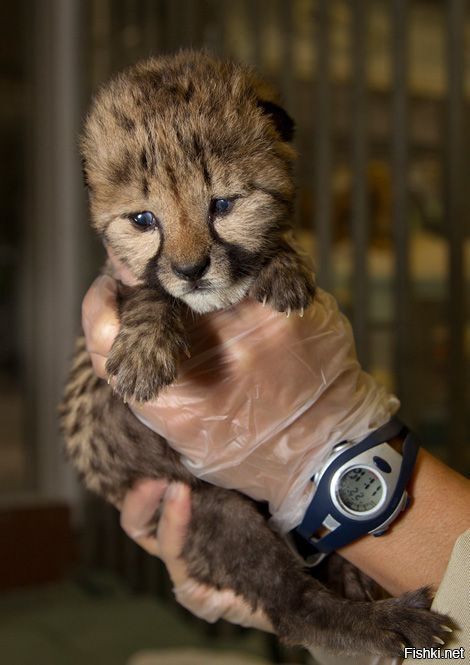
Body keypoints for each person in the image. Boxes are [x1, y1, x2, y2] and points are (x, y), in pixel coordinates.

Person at [82, 271, 470, 663]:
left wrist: (315, 451)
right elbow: (455, 654)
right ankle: (322, 613)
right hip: (183, 481)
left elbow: (453, 652)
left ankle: (329, 612)